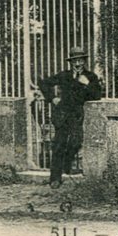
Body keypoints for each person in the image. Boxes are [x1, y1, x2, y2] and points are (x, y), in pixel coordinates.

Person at [35, 49, 103, 188]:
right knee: (59, 144)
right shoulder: (64, 75)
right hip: (62, 114)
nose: (78, 64)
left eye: (80, 60)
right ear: (71, 62)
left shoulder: (91, 77)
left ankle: (66, 163)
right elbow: (43, 83)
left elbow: (97, 95)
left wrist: (87, 84)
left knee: (76, 142)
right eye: (75, 61)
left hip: (77, 115)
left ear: (84, 62)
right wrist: (52, 98)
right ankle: (55, 179)